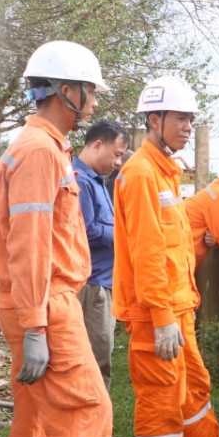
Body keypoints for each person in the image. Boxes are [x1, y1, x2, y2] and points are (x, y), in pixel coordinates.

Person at [0, 41, 112, 437]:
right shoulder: (41, 151)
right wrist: (38, 326)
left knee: (34, 421)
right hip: (45, 303)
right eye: (90, 93)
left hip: (29, 302)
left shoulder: (36, 146)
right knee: (88, 416)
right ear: (67, 91)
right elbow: (31, 242)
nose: (94, 104)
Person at [112, 75, 219, 437]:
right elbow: (148, 254)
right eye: (180, 118)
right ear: (154, 119)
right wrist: (161, 316)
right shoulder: (140, 175)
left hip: (179, 306)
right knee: (160, 401)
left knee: (194, 387)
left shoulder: (165, 171)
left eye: (192, 118)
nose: (188, 126)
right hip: (158, 314)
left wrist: (176, 310)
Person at [72, 119, 129, 391]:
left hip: (103, 284)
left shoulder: (97, 180)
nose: (117, 162)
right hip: (92, 286)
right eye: (116, 154)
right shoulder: (80, 180)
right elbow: (86, 231)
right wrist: (125, 235)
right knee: (96, 363)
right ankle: (93, 425)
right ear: (97, 145)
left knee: (100, 358)